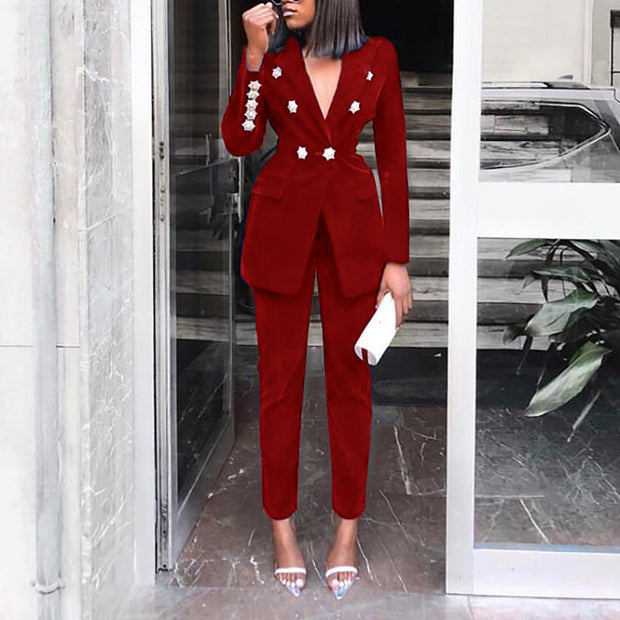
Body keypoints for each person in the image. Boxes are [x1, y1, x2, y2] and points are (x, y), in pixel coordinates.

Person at [221, 0, 412, 600]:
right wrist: (253, 58)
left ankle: (346, 531)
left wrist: (397, 258)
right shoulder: (274, 62)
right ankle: (281, 528)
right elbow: (240, 139)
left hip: (353, 235)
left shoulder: (378, 57)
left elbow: (394, 156)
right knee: (278, 383)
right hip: (282, 232)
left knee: (351, 384)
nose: (283, 1)